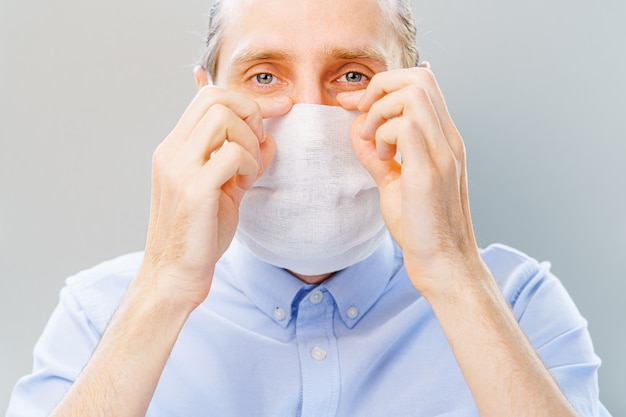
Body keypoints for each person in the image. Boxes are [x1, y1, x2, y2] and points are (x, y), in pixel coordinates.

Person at [6, 0, 611, 416]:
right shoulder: (98, 316)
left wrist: (454, 270)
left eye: (350, 74)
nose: (308, 115)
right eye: (265, 77)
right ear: (205, 100)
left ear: (418, 94)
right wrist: (165, 284)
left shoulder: (518, 303)